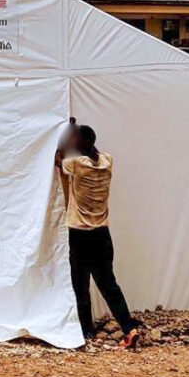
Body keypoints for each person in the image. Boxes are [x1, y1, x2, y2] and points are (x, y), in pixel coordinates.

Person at [56, 124, 140, 348]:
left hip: (80, 234)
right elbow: (95, 151)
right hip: (102, 234)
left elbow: (58, 159)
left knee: (80, 284)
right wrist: (81, 136)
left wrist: (65, 136)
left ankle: (87, 330)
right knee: (109, 284)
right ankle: (128, 328)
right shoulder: (107, 161)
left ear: (80, 144)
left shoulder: (76, 164)